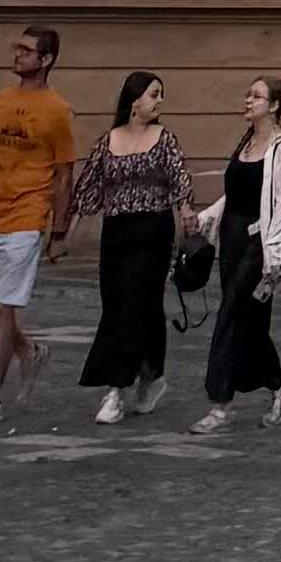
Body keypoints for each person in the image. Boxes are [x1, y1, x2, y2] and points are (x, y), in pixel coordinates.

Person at [0, 22, 75, 428]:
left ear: (46, 59)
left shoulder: (57, 110)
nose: (17, 54)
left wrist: (58, 231)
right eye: (17, 48)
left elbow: (64, 175)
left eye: (26, 50)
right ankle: (27, 349)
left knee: (4, 307)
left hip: (26, 216)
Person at [68, 71, 196, 423]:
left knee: (136, 305)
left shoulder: (164, 139)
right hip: (117, 231)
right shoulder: (108, 140)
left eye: (161, 94)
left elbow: (180, 180)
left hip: (153, 230)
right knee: (119, 305)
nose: (159, 101)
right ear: (134, 100)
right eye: (154, 94)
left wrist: (186, 212)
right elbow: (86, 189)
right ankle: (152, 374)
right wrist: (66, 235)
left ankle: (115, 390)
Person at [193, 76, 281, 435]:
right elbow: (234, 195)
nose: (248, 100)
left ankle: (219, 405)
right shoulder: (246, 143)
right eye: (248, 94)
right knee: (250, 324)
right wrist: (205, 218)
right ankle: (280, 391)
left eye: (257, 96)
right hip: (232, 240)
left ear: (274, 106)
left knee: (229, 316)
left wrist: (273, 259)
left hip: (259, 245)